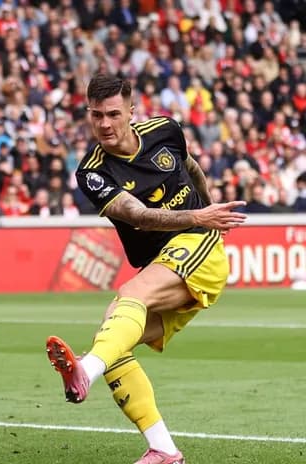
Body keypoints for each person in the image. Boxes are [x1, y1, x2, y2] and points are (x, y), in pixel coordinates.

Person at [45, 73, 246, 464]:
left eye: (113, 114)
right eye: (96, 115)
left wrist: (207, 213)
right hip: (164, 258)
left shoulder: (166, 130)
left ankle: (85, 369)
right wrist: (200, 214)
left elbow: (192, 169)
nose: (104, 124)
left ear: (131, 111)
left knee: (129, 298)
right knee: (113, 338)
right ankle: (164, 449)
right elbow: (138, 216)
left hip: (196, 244)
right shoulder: (92, 172)